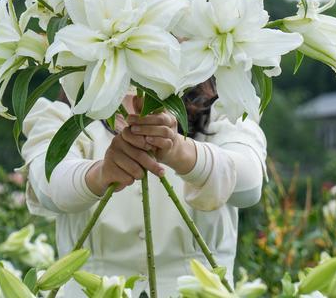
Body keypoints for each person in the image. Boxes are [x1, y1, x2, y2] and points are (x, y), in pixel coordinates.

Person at [19, 79, 267, 297]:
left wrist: (179, 151)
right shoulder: (65, 116)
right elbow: (50, 186)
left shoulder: (224, 108)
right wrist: (103, 173)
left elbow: (248, 186)